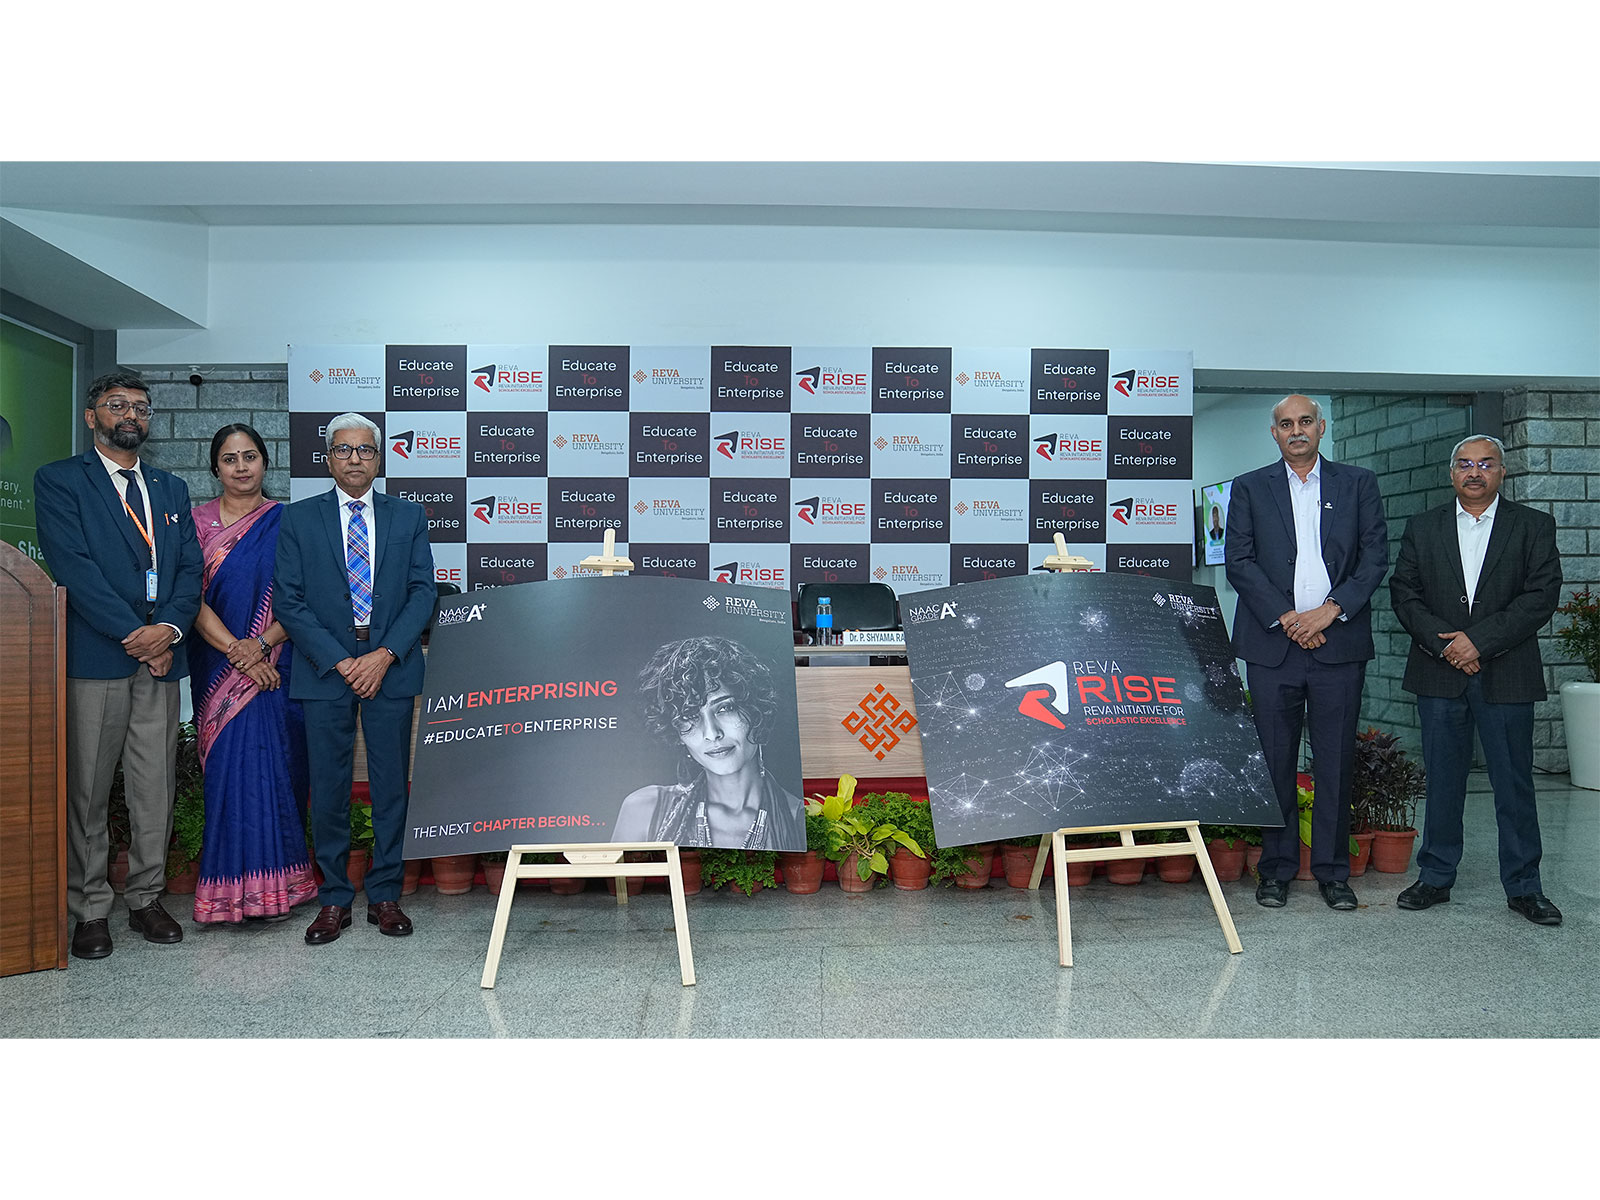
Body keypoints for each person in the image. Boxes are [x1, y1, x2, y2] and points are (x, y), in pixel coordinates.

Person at [33, 370, 203, 959]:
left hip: (160, 661)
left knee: (153, 786)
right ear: (92, 417)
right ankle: (89, 908)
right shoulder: (60, 481)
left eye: (141, 407)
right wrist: (136, 633)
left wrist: (170, 631)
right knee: (89, 789)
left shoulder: (170, 488)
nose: (131, 414)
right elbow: (72, 565)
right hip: (98, 658)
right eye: (117, 405)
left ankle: (147, 898)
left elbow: (188, 571)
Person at [1389, 436, 1564, 926]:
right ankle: (1436, 877)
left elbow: (1540, 597)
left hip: (1507, 673)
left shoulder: (1533, 526)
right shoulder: (1423, 528)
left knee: (1514, 784)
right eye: (1465, 464)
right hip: (1438, 671)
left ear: (1501, 472)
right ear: (1451, 474)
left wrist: (1477, 643)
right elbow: (1404, 594)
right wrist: (1447, 645)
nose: (1475, 472)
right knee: (1442, 781)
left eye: (1486, 464)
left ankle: (1526, 887)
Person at [274, 413, 435, 944]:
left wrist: (384, 654)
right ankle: (335, 898)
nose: (355, 459)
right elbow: (290, 602)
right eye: (343, 450)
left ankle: (386, 894)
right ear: (328, 458)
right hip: (326, 668)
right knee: (329, 789)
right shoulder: (297, 519)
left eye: (365, 450)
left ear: (379, 458)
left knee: (391, 787)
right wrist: (343, 661)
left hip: (390, 663)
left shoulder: (408, 517)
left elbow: (422, 593)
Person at [1226, 394, 1388, 911]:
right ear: (1273, 434)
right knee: (1274, 761)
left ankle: (1333, 872)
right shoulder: (1250, 487)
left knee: (1336, 760)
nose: (1296, 430)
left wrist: (1329, 611)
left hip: (1338, 643)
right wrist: (1291, 618)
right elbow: (1239, 561)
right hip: (1274, 644)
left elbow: (1374, 558)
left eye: (1305, 422)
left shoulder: (1358, 484)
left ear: (1322, 428)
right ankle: (1274, 870)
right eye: (1285, 424)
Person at [189, 424, 317, 924]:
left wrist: (263, 646)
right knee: (228, 775)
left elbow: (307, 600)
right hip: (218, 665)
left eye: (250, 457)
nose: (241, 467)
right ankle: (224, 897)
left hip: (279, 667)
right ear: (215, 467)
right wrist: (242, 655)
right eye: (229, 459)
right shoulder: (195, 524)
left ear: (266, 462)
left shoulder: (289, 522)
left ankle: (282, 889)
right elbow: (188, 599)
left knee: (280, 769)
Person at [613, 636, 804, 850]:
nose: (712, 733)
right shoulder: (644, 810)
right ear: (676, 730)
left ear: (754, 710)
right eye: (689, 715)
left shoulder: (798, 817)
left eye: (725, 708)